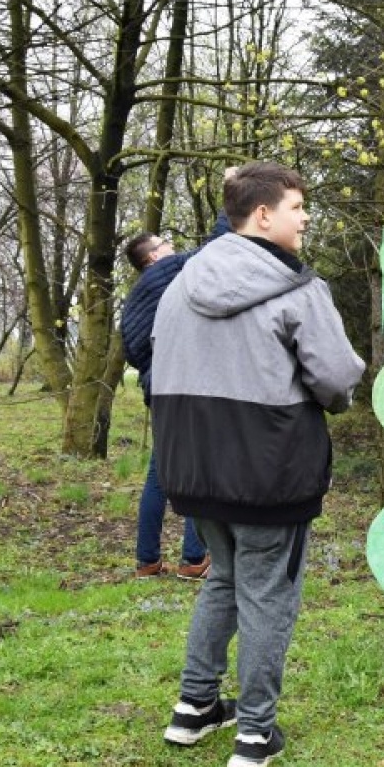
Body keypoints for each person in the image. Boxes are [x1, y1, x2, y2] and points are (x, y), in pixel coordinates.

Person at [150, 162, 366, 767]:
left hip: (192, 464)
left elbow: (156, 357)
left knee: (224, 577)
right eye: (298, 207)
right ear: (264, 214)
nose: (305, 219)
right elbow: (335, 376)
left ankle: (193, 709)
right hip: (270, 466)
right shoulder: (299, 287)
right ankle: (255, 733)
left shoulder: (181, 281)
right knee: (270, 592)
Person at [121, 225, 222, 580]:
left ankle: (147, 560)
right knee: (198, 470)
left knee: (160, 475)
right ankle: (193, 559)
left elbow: (134, 350)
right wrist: (231, 206)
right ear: (152, 256)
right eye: (166, 244)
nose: (173, 248)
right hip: (179, 388)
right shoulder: (160, 276)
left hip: (162, 389)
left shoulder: (142, 293)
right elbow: (209, 253)